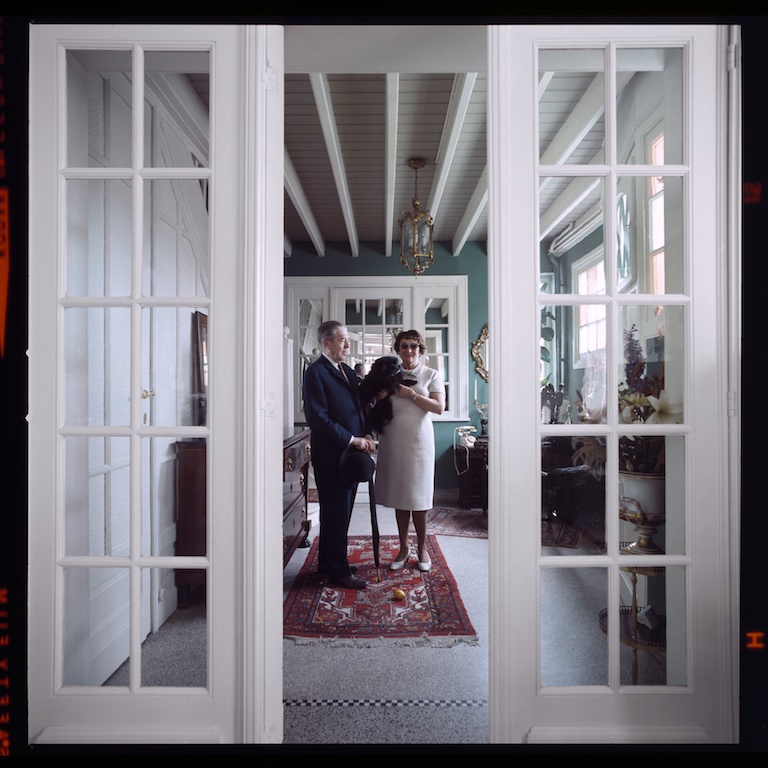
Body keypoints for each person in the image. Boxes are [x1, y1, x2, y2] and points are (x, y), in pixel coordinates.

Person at [302, 321, 375, 589]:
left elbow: (359, 407)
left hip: (351, 456)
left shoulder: (347, 370)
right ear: (326, 343)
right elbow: (318, 419)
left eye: (347, 340)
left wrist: (367, 434)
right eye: (342, 340)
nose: (347, 345)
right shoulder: (315, 373)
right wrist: (352, 439)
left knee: (341, 512)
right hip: (331, 455)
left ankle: (327, 563)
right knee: (335, 513)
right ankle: (338, 571)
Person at [371, 330, 445, 572]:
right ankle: (403, 548)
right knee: (400, 495)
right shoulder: (389, 375)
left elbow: (439, 407)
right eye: (404, 346)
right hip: (393, 439)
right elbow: (373, 404)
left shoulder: (431, 374)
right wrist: (379, 396)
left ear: (420, 349)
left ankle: (422, 548)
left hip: (419, 441)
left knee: (419, 496)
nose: (409, 350)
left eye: (414, 346)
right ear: (398, 349)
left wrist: (412, 395)